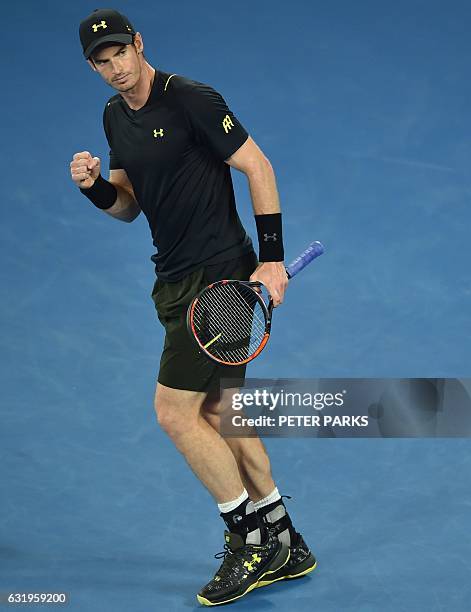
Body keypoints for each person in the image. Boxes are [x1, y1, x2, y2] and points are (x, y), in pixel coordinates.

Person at [71, 8, 316, 606]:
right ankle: (285, 541)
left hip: (218, 280)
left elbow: (258, 165)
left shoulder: (192, 100)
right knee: (220, 410)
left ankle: (251, 542)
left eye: (120, 54)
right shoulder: (113, 116)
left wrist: (270, 258)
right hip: (173, 280)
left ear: (139, 44)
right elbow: (129, 206)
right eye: (101, 62)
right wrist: (96, 187)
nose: (115, 70)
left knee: (175, 413)